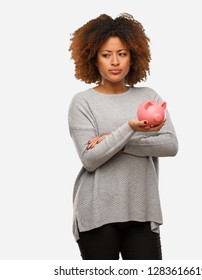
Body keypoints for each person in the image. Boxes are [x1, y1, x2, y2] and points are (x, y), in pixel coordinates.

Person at [68, 13, 178, 260]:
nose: (115, 62)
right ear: (93, 58)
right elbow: (90, 158)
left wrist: (116, 139)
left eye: (122, 53)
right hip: (97, 213)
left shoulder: (149, 96)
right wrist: (129, 128)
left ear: (133, 56)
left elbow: (170, 145)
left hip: (142, 210)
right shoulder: (82, 102)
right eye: (106, 55)